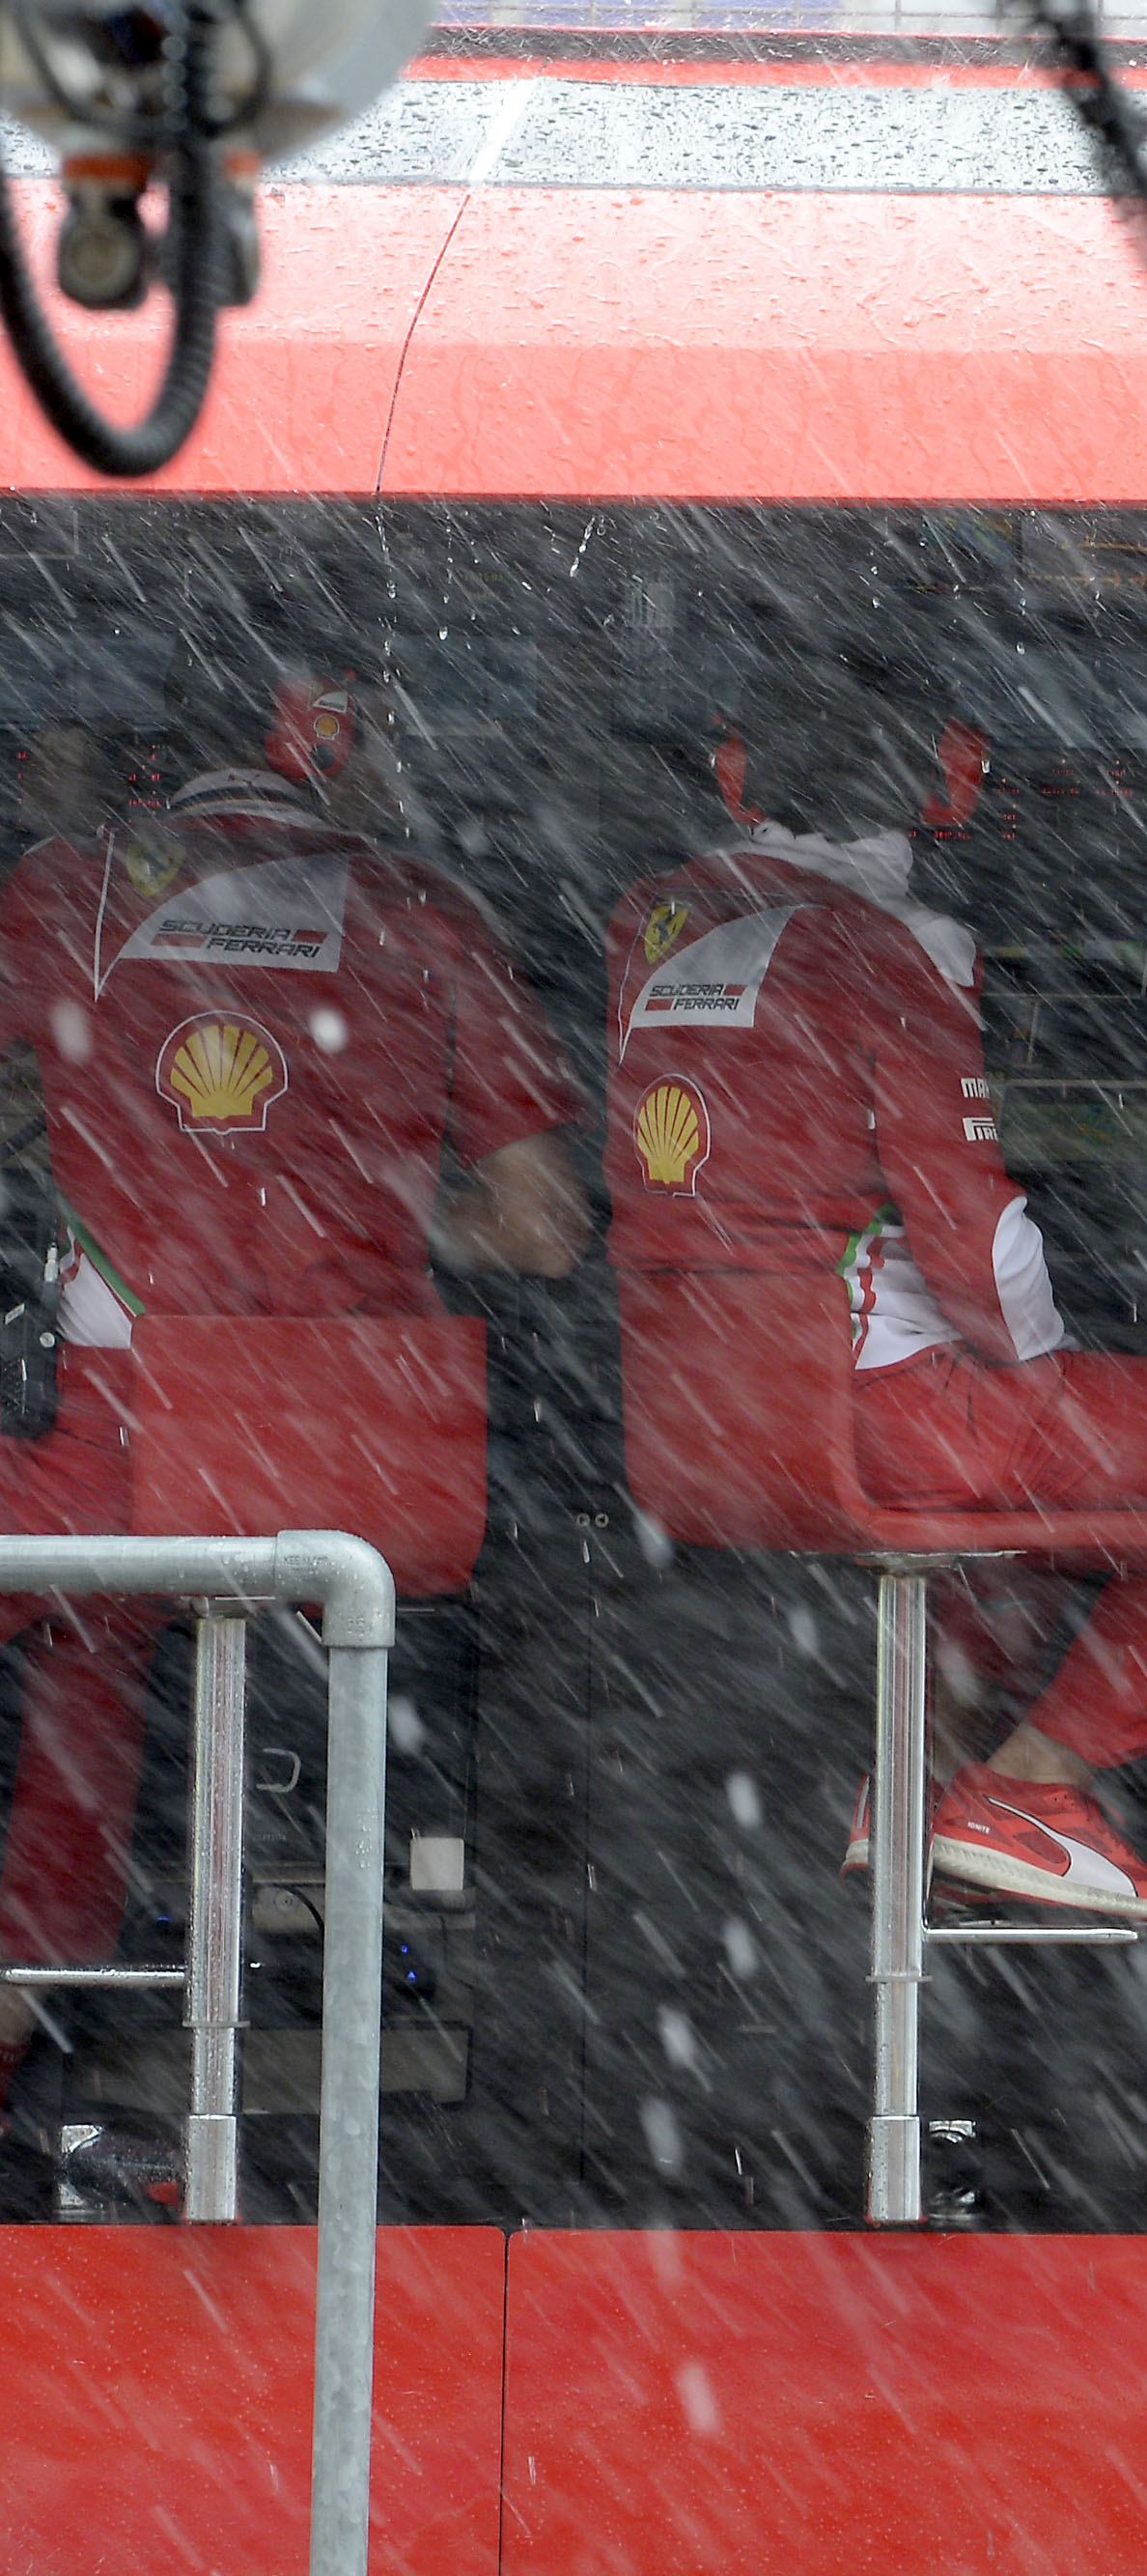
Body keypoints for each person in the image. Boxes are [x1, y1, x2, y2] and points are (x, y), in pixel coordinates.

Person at [605, 649, 1147, 1929]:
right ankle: (1028, 1792)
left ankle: (917, 1786)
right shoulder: (903, 944)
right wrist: (1048, 1367)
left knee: (1034, 1511)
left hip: (703, 1429)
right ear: (953, 783)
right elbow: (976, 1247)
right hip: (882, 1419)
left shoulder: (648, 924)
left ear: (736, 777)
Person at [0, 678, 586, 2137]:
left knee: (83, 1711)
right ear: (327, 751)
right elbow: (545, 1230)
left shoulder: (68, 889)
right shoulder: (430, 914)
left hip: (115, 1464)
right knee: (109, 1712)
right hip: (342, 1470)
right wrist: (392, 1205)